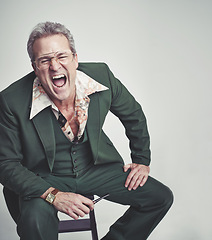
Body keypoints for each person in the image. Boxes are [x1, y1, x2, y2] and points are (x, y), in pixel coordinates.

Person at [0, 21, 173, 240]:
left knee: (159, 197)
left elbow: (133, 114)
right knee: (35, 218)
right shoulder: (10, 100)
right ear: (35, 67)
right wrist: (53, 196)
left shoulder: (101, 76)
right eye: (44, 60)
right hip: (43, 176)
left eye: (62, 56)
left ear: (75, 58)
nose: (55, 66)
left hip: (96, 168)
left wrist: (142, 159)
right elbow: (5, 163)